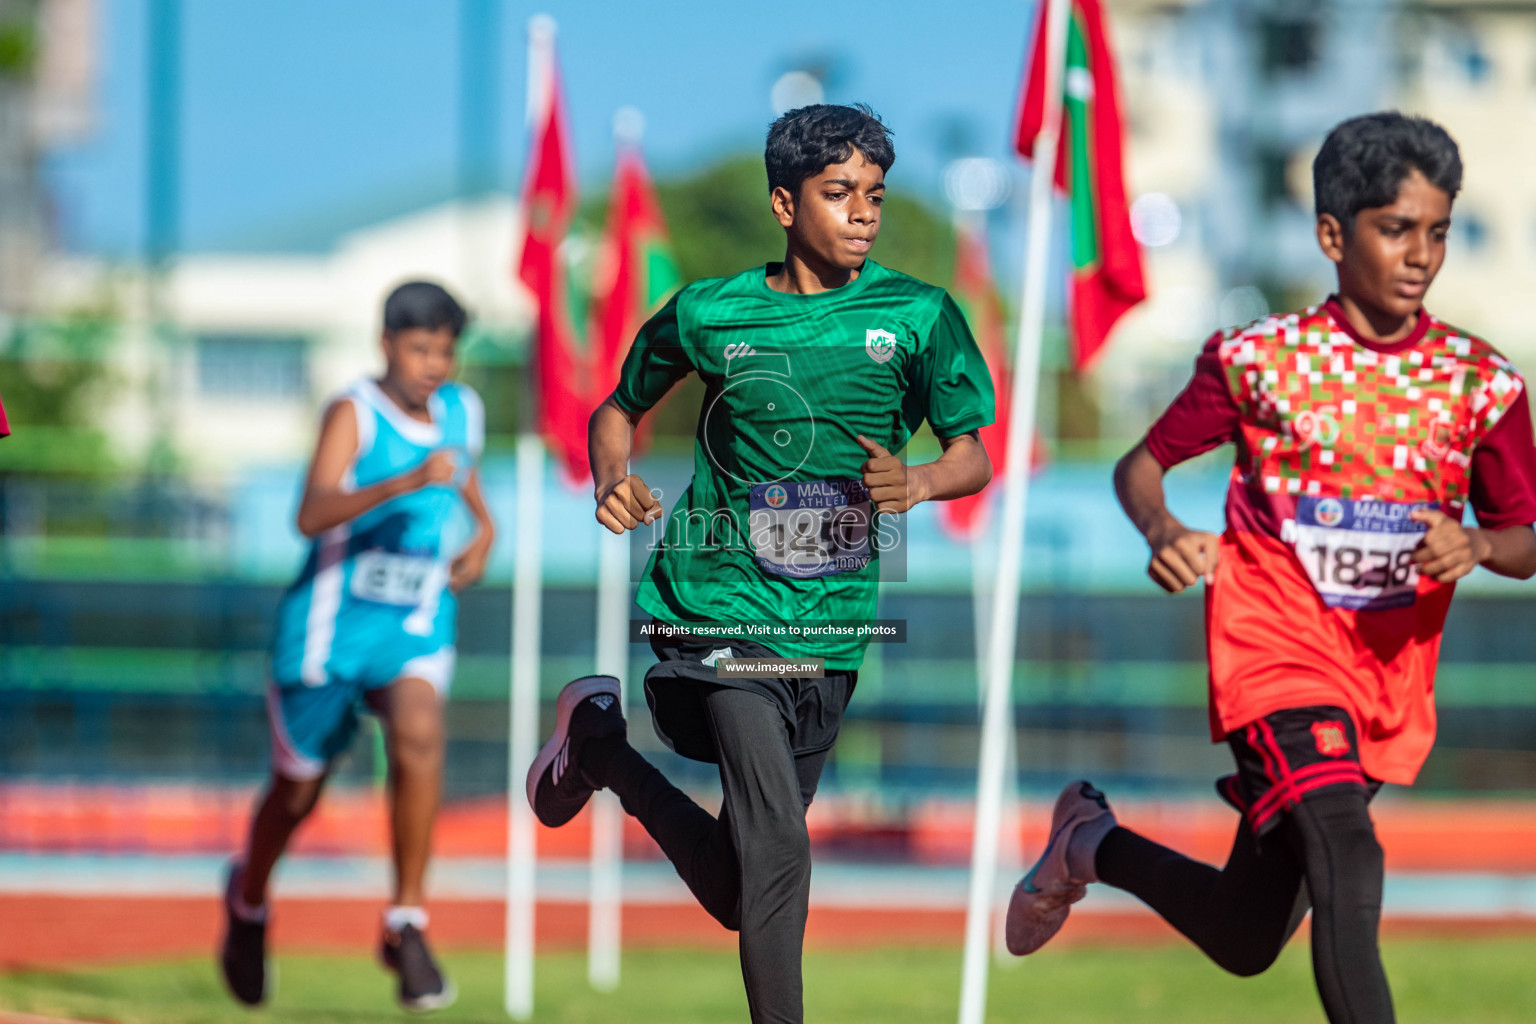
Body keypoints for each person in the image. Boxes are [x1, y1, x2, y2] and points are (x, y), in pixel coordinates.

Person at [1005, 112, 1536, 1023]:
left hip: (1383, 686)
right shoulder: (1259, 363)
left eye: (1438, 231)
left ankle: (1090, 842)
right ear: (1334, 235)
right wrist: (1163, 529)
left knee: (1245, 939)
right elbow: (1143, 465)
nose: (1421, 254)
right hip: (1273, 651)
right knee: (1351, 854)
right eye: (1395, 228)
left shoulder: (1481, 384)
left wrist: (1483, 545)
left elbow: (1525, 536)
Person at [526, 103, 994, 1024]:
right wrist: (611, 475)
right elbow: (616, 407)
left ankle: (600, 749)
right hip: (716, 610)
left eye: (876, 195)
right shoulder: (710, 312)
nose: (863, 212)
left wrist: (924, 479)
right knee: (781, 850)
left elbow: (973, 449)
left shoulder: (918, 316)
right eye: (838, 193)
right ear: (785, 204)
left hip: (830, 632)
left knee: (749, 888)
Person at [219, 281, 495, 1012]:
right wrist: (405, 480)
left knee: (419, 729)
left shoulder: (463, 411)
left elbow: (462, 481)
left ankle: (407, 920)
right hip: (330, 631)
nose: (433, 364)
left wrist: (484, 534)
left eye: (444, 351)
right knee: (298, 789)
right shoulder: (355, 413)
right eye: (419, 349)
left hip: (414, 621)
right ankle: (247, 900)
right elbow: (310, 512)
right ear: (386, 345)